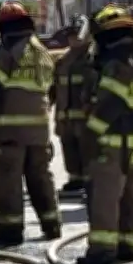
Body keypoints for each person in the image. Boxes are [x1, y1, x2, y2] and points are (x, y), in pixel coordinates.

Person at [0, 0, 61, 246]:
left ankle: (10, 229)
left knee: (8, 179)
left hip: (10, 132)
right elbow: (52, 91)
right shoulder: (42, 52)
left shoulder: (8, 52)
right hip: (39, 132)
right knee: (40, 177)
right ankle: (51, 224)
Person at [77, 4, 133, 264]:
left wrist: (90, 133)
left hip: (113, 142)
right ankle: (128, 247)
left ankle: (102, 250)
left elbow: (111, 103)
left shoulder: (117, 62)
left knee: (105, 197)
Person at [50, 14, 94, 194]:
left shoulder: (92, 59)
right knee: (69, 149)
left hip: (85, 118)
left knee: (87, 150)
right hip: (65, 117)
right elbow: (53, 87)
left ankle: (89, 180)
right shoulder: (62, 61)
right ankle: (75, 179)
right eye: (70, 36)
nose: (73, 39)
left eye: (76, 35)